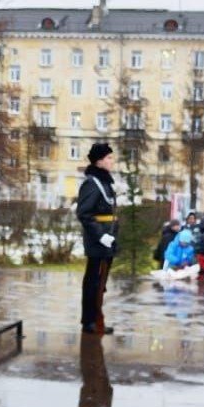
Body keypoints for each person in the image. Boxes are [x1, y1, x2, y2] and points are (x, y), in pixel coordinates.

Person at [76, 142, 118, 335]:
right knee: (93, 281)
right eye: (109, 158)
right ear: (99, 161)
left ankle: (97, 319)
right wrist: (101, 237)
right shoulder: (92, 183)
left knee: (101, 283)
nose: (112, 161)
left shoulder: (104, 182)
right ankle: (89, 322)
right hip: (98, 241)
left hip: (107, 239)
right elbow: (84, 213)